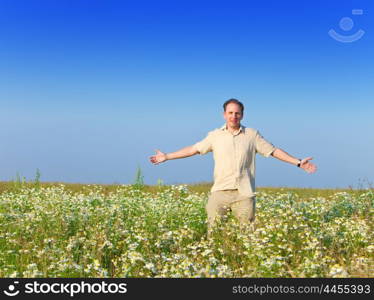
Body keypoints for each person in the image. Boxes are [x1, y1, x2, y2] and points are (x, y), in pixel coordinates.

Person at [149, 99, 317, 234]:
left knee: (246, 236)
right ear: (224, 115)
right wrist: (167, 156)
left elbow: (273, 151)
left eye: (237, 113)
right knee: (214, 235)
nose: (233, 116)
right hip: (219, 193)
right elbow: (193, 149)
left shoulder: (252, 135)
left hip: (244, 194)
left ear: (242, 115)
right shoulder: (214, 136)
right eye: (230, 113)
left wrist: (297, 162)